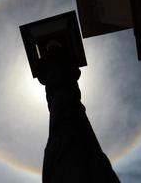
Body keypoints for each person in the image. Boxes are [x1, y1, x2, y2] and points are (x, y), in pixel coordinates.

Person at [37, 44, 120, 183]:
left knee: (73, 137)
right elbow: (73, 72)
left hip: (68, 112)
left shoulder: (60, 71)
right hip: (64, 111)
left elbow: (72, 73)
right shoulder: (59, 72)